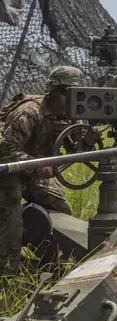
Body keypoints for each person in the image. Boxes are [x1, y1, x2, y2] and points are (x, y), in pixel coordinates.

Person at [0, 65, 83, 277]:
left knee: (61, 210)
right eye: (69, 94)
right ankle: (8, 269)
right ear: (55, 93)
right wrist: (38, 166)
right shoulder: (28, 112)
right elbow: (5, 152)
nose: (73, 100)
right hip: (7, 175)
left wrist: (87, 141)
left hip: (31, 174)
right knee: (11, 219)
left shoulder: (69, 114)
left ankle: (45, 256)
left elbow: (76, 143)